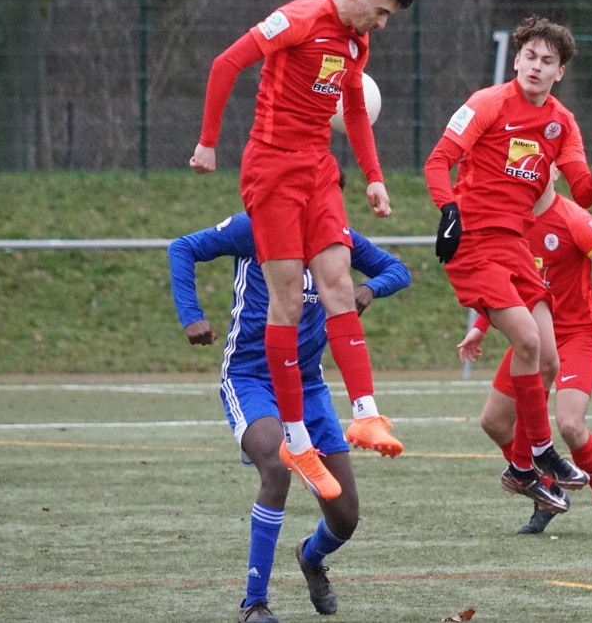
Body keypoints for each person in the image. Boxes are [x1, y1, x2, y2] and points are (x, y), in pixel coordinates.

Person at [187, 0, 417, 501]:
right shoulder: (298, 19)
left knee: (337, 283)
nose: (381, 24)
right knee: (288, 301)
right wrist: (208, 142)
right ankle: (294, 440)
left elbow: (354, 110)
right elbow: (225, 64)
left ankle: (366, 413)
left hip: (319, 169)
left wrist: (374, 177)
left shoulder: (357, 43)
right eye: (380, 12)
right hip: (271, 170)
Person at [168, 208, 411, 623]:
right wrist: (192, 315)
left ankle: (310, 557)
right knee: (277, 465)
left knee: (345, 516)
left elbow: (397, 269)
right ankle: (254, 603)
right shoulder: (256, 224)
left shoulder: (334, 232)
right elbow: (183, 247)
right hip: (251, 376)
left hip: (307, 385)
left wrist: (370, 287)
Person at [424, 16, 592, 514]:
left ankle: (521, 466)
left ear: (560, 72)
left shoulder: (563, 122)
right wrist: (448, 211)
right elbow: (437, 162)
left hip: (515, 245)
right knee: (529, 341)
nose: (536, 66)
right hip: (473, 242)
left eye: (547, 61)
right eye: (530, 56)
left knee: (549, 359)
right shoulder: (487, 103)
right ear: (516, 60)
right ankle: (538, 454)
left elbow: (582, 192)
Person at [458, 163, 592, 537]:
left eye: (539, 165)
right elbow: (506, 282)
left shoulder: (576, 221)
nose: (528, 172)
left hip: (576, 335)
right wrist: (480, 328)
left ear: (556, 172)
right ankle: (546, 491)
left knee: (571, 426)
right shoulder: (512, 221)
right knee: (494, 421)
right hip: (532, 337)